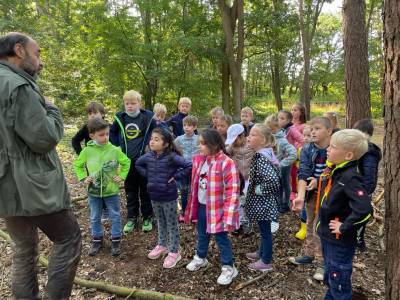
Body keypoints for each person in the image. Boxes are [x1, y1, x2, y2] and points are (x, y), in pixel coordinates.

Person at [0, 32, 81, 299]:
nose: (41, 62)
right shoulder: (17, 86)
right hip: (34, 185)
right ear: (19, 50)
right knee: (68, 239)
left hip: (6, 188)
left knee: (23, 251)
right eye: (38, 53)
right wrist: (53, 109)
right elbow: (43, 138)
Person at [317, 129, 372, 299]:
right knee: (331, 276)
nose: (328, 149)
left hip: (339, 240)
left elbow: (364, 210)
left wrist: (345, 226)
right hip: (328, 237)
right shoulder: (336, 170)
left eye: (333, 147)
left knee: (338, 279)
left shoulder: (350, 178)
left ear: (348, 155)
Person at [185, 129, 240, 285]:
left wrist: (229, 214)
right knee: (202, 234)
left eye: (203, 143)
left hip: (219, 209)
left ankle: (229, 266)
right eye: (199, 143)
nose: (199, 146)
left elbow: (233, 190)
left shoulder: (226, 163)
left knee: (221, 238)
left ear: (214, 144)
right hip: (203, 207)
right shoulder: (200, 160)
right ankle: (201, 258)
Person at [73, 118, 130, 257]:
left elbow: (126, 162)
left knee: (115, 215)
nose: (105, 137)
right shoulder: (87, 151)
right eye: (101, 135)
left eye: (107, 134)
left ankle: (116, 240)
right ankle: (97, 240)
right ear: (92, 136)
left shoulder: (114, 150)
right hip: (93, 192)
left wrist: (121, 176)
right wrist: (83, 178)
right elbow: (77, 165)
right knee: (94, 216)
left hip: (111, 191)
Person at [136, 128, 191, 268]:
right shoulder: (148, 156)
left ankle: (174, 251)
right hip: (154, 195)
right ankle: (162, 245)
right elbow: (137, 164)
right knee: (160, 221)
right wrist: (148, 175)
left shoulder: (171, 156)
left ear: (165, 144)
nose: (152, 141)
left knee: (171, 224)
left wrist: (175, 177)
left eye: (156, 139)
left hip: (169, 197)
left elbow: (188, 166)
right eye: (152, 139)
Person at [289, 117, 332, 281]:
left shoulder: (334, 147)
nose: (313, 132)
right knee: (309, 222)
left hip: (328, 193)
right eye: (311, 129)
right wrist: (300, 196)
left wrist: (320, 179)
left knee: (319, 226)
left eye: (317, 128)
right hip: (310, 192)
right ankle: (308, 254)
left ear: (329, 131)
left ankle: (322, 262)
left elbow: (335, 169)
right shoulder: (307, 149)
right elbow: (304, 173)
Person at [109, 90, 156, 234]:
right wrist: (118, 147)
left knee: (145, 190)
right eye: (127, 103)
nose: (129, 106)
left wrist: (151, 145)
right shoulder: (120, 118)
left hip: (144, 162)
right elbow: (112, 133)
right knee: (130, 191)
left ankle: (147, 217)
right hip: (126, 162)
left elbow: (157, 132)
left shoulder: (147, 118)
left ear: (139, 103)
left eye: (133, 103)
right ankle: (132, 217)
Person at [245, 124, 281, 271]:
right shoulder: (266, 153)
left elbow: (273, 180)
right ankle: (261, 252)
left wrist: (259, 189)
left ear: (262, 140)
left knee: (266, 232)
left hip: (263, 202)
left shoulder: (261, 157)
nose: (249, 137)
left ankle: (265, 261)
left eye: (253, 135)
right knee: (263, 229)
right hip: (264, 202)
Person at [352, 118, 382, 251]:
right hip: (356, 188)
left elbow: (369, 176)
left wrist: (363, 191)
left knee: (360, 216)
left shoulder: (369, 152)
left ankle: (359, 242)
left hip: (362, 191)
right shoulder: (359, 149)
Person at [225, 124, 255, 233]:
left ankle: (247, 223)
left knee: (246, 201)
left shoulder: (251, 145)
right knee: (237, 201)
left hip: (249, 178)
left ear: (242, 136)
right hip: (237, 179)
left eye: (235, 139)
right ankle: (237, 223)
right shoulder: (231, 147)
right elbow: (223, 154)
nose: (233, 142)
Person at [265, 114, 297, 216]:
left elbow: (293, 153)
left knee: (285, 184)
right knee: (278, 185)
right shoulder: (271, 139)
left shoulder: (282, 140)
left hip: (283, 167)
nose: (269, 131)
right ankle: (278, 203)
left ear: (277, 128)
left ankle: (285, 204)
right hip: (275, 168)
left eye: (271, 129)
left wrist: (281, 164)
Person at [174, 115, 199, 221]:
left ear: (194, 127)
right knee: (184, 191)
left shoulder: (199, 139)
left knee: (195, 191)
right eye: (184, 125)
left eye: (189, 125)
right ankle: (183, 212)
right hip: (183, 170)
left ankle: (194, 213)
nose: (186, 127)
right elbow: (173, 151)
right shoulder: (178, 140)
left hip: (195, 170)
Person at [295, 125, 312, 240]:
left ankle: (309, 228)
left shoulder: (319, 150)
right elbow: (297, 161)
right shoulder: (301, 150)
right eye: (304, 135)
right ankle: (303, 227)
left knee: (309, 205)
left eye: (308, 136)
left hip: (312, 183)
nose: (305, 138)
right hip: (301, 180)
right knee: (304, 205)